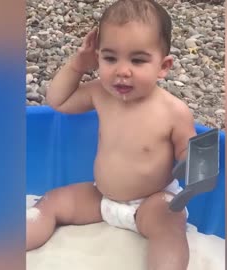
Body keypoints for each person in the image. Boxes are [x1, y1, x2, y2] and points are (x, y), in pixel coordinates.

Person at [26, 0, 197, 269]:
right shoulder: (99, 93)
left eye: (138, 60)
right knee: (52, 201)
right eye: (109, 58)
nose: (122, 71)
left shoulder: (174, 111)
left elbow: (189, 153)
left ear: (163, 66)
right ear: (98, 58)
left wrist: (193, 164)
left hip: (150, 203)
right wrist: (77, 66)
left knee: (170, 226)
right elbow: (58, 101)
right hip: (101, 197)